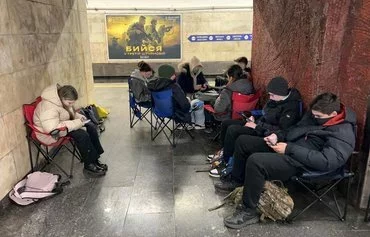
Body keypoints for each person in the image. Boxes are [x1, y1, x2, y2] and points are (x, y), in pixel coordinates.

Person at [214, 93, 356, 229]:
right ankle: (237, 180)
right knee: (244, 141)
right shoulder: (316, 116)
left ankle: (248, 211)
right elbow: (295, 129)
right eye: (313, 115)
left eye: (318, 116)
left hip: (303, 163)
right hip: (290, 147)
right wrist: (277, 136)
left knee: (256, 161)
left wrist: (289, 149)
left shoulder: (343, 133)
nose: (314, 117)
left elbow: (327, 161)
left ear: (333, 115)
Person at [208, 77, 302, 177]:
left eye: (272, 95)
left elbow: (281, 130)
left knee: (234, 131)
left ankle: (229, 164)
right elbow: (266, 114)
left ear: (281, 94)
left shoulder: (291, 108)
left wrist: (257, 126)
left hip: (267, 133)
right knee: (227, 123)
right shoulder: (275, 100)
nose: (270, 97)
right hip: (260, 125)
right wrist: (254, 117)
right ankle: (225, 154)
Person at [33, 84, 107, 176]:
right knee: (82, 135)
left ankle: (95, 158)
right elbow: (51, 128)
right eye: (70, 103)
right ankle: (89, 165)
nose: (71, 105)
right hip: (51, 133)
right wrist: (77, 123)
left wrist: (80, 117)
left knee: (91, 126)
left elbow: (68, 114)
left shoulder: (61, 101)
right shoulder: (48, 107)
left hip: (62, 125)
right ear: (62, 98)